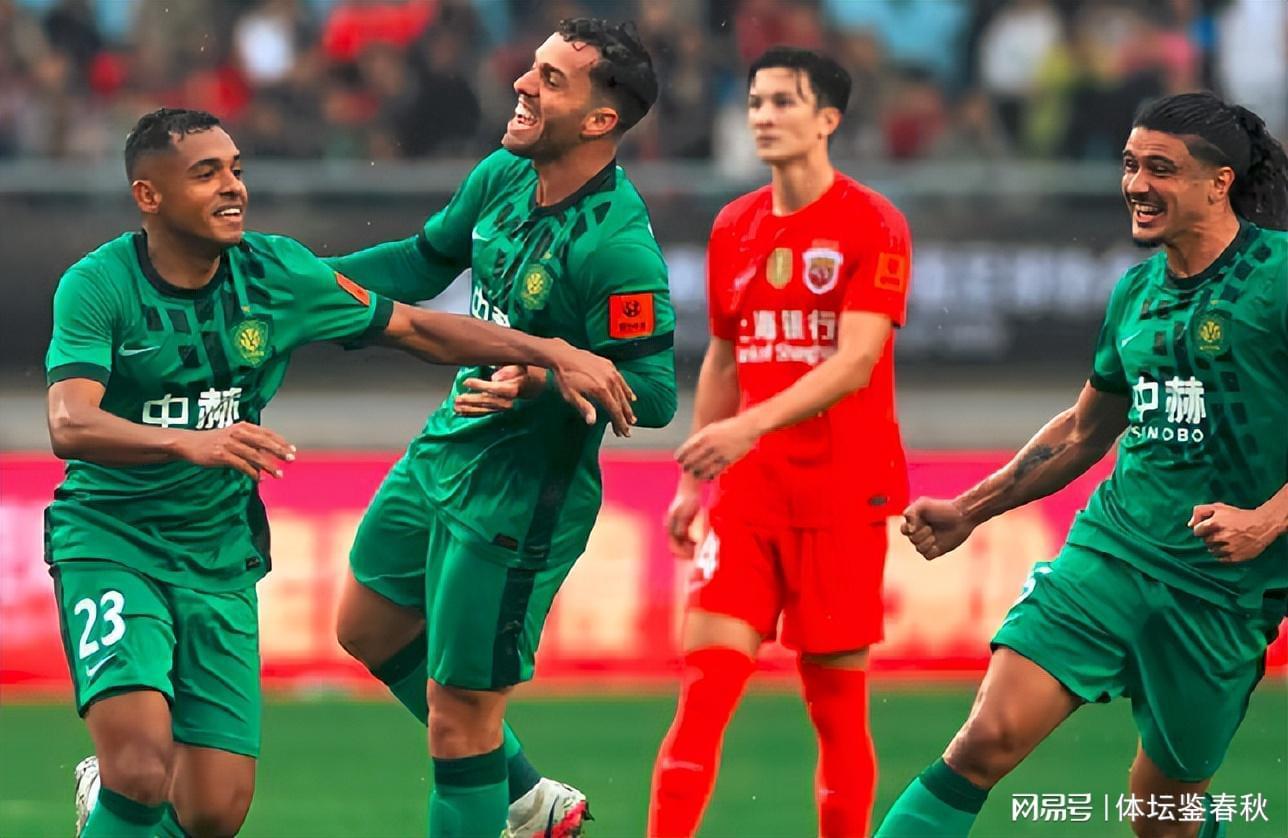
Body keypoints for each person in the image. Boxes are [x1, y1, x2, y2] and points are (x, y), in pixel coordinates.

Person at [51, 106, 635, 838]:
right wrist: (189, 444)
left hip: (217, 557)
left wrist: (553, 352)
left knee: (213, 813)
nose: (232, 187)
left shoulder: (275, 273)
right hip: (112, 540)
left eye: (236, 169)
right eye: (206, 174)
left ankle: (107, 801)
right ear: (149, 195)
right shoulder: (97, 284)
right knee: (140, 771)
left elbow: (417, 327)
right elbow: (69, 423)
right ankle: (116, 787)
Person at [876, 91, 1288, 838]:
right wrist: (968, 510)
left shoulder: (1280, 278)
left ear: (1218, 182)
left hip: (1223, 593)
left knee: (1160, 818)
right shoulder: (1135, 292)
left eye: (1160, 168)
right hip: (1113, 550)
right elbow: (1083, 431)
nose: (1136, 185)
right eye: (1130, 165)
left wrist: (1266, 520)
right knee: (985, 739)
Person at [324, 18, 676, 837]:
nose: (521, 83)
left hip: (520, 500)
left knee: (459, 723)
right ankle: (528, 799)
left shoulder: (617, 249)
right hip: (446, 448)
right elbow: (421, 263)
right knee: (366, 626)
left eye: (551, 79)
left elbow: (654, 394)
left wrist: (543, 380)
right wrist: (297, 283)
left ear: (600, 120)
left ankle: (508, 802)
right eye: (532, 67)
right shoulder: (504, 174)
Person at [647, 47, 913, 838]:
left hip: (842, 496)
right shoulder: (734, 225)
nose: (763, 116)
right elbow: (725, 358)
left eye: (783, 102)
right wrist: (693, 482)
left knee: (835, 713)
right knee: (702, 700)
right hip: (748, 499)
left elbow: (856, 361)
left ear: (828, 119)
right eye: (756, 102)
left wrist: (748, 426)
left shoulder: (873, 223)